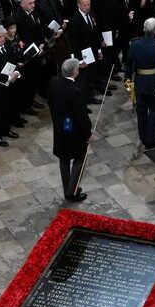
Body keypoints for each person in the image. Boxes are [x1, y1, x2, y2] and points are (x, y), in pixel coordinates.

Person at [49, 58, 94, 202]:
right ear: (75, 72)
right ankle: (71, 192)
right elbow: (81, 117)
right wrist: (88, 134)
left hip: (59, 127)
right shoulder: (75, 91)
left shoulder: (53, 82)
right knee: (80, 157)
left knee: (64, 157)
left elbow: (51, 104)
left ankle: (68, 188)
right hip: (72, 131)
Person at [125, 18, 155, 150]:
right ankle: (150, 140)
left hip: (140, 83)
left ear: (144, 29)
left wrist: (128, 83)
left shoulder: (134, 44)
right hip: (154, 84)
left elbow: (128, 65)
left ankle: (143, 137)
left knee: (141, 111)